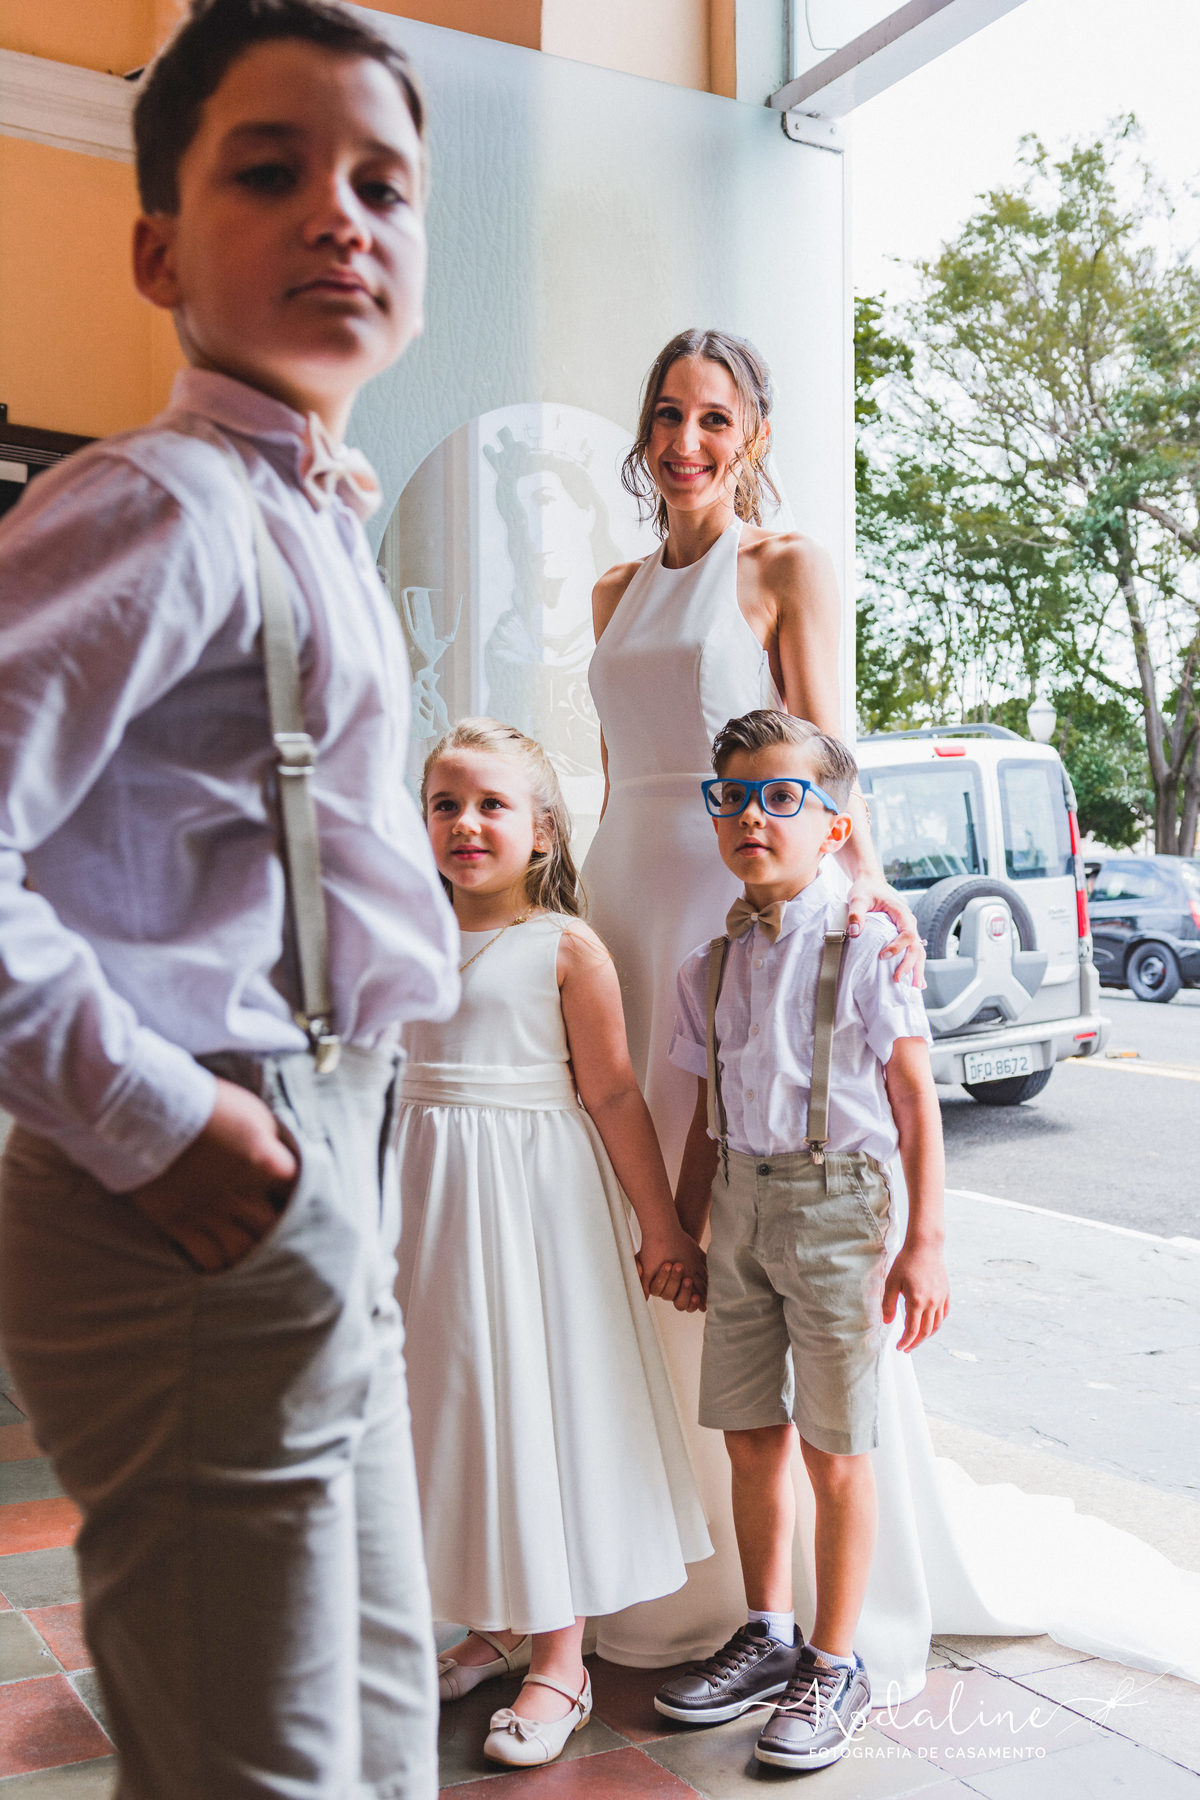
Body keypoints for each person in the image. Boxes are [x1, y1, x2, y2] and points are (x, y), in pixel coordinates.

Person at [0, 3, 458, 1795]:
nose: (340, 214)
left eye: (383, 187)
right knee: (253, 1767)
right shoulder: (162, 504)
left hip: (323, 1156)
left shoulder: (310, 516)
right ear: (159, 253)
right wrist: (155, 1116)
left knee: (375, 1732)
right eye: (271, 173)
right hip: (198, 1179)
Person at [581, 327, 926, 1676]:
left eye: (715, 419)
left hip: (741, 899)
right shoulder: (612, 591)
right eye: (668, 415)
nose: (687, 442)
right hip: (623, 902)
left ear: (754, 437)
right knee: (644, 1197)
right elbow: (617, 773)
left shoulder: (784, 567)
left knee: (751, 1187)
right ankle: (640, 1549)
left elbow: (831, 753)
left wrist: (866, 887)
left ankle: (775, 1603)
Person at [394, 718, 713, 1770]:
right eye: (445, 804)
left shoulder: (563, 947)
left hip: (532, 1208)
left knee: (537, 1406)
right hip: (428, 1202)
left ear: (540, 830)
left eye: (492, 804)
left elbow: (613, 1093)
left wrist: (663, 1224)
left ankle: (562, 1657)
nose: (466, 823)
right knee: (458, 1406)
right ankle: (493, 1623)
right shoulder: (407, 935)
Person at [653, 710, 949, 1770]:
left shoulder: (869, 944)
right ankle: (769, 1630)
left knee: (835, 1446)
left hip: (838, 1211)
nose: (752, 817)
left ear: (834, 827)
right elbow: (705, 1114)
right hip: (739, 1205)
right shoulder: (708, 962)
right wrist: (683, 1227)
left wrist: (925, 1241)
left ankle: (836, 1658)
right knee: (749, 1432)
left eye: (782, 797)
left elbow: (914, 1100)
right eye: (732, 798)